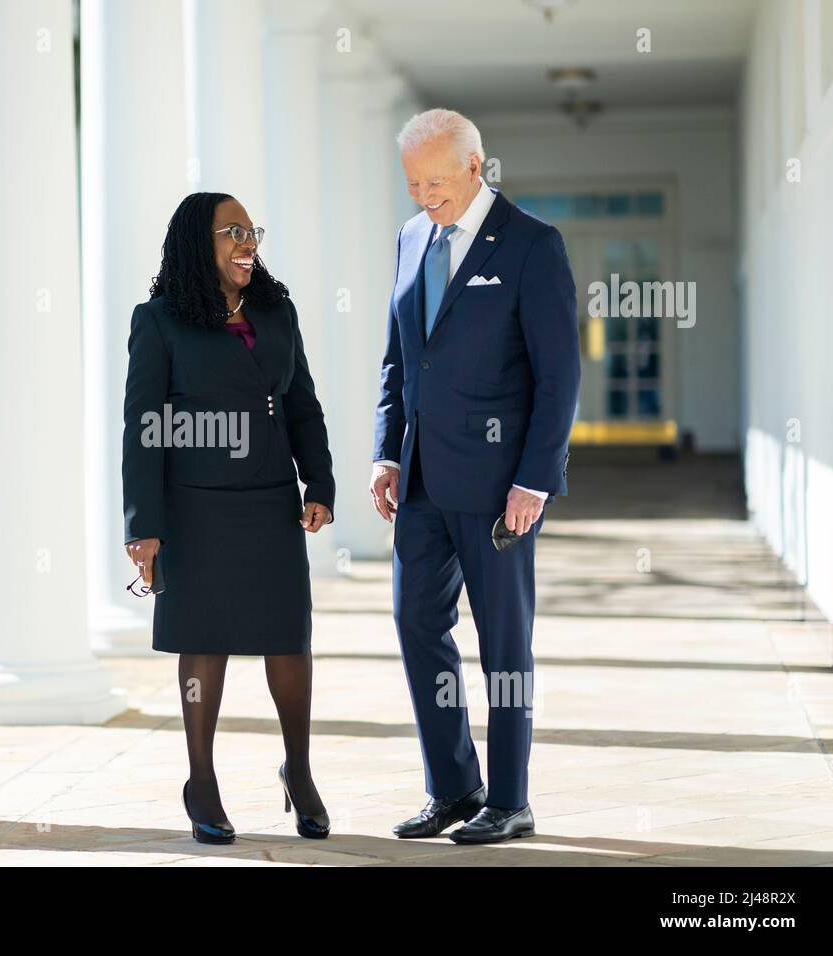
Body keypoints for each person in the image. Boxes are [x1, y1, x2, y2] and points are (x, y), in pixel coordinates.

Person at [370, 109, 580, 844]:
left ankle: (512, 798)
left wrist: (535, 481)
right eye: (411, 183)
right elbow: (400, 358)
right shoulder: (408, 238)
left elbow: (560, 378)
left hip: (499, 490)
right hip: (422, 481)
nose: (424, 196)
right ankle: (454, 787)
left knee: (503, 643)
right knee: (415, 622)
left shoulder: (531, 246)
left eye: (435, 181)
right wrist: (387, 452)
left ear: (474, 166)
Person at [122, 191, 336, 845]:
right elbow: (143, 427)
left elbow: (302, 405)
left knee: (288, 640)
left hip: (270, 498)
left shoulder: (277, 312)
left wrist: (319, 480)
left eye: (252, 231)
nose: (248, 242)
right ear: (198, 242)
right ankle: (201, 781)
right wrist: (143, 525)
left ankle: (298, 770)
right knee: (204, 639)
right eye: (232, 231)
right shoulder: (159, 321)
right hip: (194, 507)